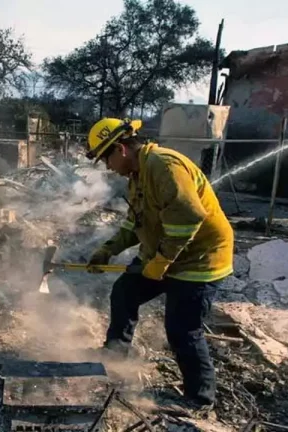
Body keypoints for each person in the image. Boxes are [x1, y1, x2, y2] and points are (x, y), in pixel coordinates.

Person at [85, 117, 234, 409]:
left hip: (200, 259)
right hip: (167, 255)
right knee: (126, 291)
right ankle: (115, 357)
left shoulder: (164, 166)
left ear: (121, 149)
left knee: (182, 329)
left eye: (107, 158)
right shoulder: (138, 175)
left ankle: (199, 398)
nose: (108, 167)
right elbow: (135, 223)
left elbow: (188, 218)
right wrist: (108, 249)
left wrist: (161, 262)